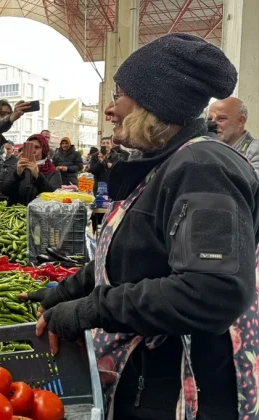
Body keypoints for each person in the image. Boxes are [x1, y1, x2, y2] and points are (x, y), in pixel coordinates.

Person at [24, 33, 259, 420]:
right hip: (150, 377)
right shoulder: (168, 163)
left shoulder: (204, 169)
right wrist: (65, 292)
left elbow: (211, 291)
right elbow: (136, 251)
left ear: (155, 102)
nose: (109, 110)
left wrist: (89, 311)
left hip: (181, 388)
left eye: (118, 95)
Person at [0, 134, 61, 206]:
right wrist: (17, 174)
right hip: (16, 213)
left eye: (37, 147)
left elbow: (54, 196)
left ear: (44, 149)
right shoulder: (17, 167)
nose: (33, 151)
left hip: (38, 214)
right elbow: (5, 191)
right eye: (30, 147)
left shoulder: (53, 172)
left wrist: (37, 176)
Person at [209, 97, 258, 177]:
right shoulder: (207, 148)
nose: (212, 125)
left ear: (240, 121)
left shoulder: (255, 151)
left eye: (221, 119)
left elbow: (252, 186)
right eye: (209, 120)